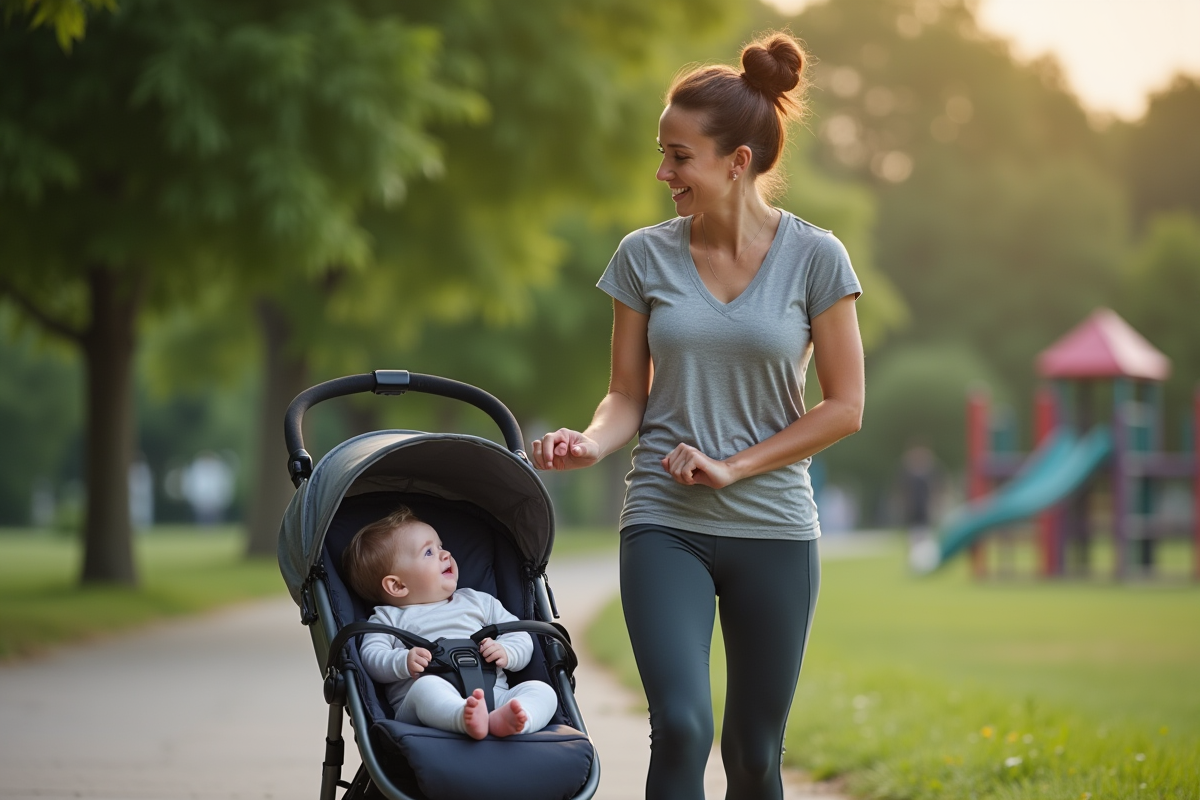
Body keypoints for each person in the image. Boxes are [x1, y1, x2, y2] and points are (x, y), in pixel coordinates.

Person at [531, 31, 865, 800]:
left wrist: (735, 466)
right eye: (662, 152)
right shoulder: (643, 257)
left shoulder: (818, 260)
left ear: (736, 161)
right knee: (682, 726)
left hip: (774, 526)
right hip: (664, 520)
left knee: (754, 753)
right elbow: (626, 396)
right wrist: (589, 441)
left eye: (679, 156)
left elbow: (846, 408)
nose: (663, 172)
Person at [342, 506, 559, 740]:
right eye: (429, 552)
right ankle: (462, 717)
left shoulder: (479, 601)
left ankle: (513, 721)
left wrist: (508, 652)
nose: (445, 555)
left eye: (441, 546)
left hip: (494, 698)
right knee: (426, 689)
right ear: (397, 586)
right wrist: (403, 660)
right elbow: (371, 657)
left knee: (543, 691)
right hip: (425, 711)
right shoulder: (388, 618)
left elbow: (520, 634)